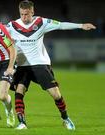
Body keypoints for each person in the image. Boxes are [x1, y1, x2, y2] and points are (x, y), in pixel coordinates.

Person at [6, 0, 96, 130]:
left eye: (27, 14)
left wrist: (81, 25)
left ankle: (65, 118)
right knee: (19, 92)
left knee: (55, 94)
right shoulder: (12, 25)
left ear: (32, 12)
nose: (24, 17)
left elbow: (61, 25)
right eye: (22, 14)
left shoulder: (41, 22)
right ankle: (22, 123)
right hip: (22, 65)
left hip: (40, 64)